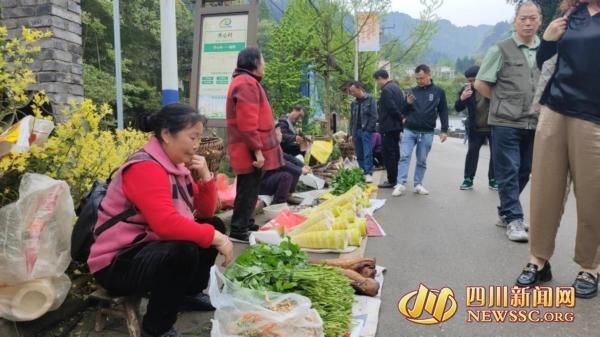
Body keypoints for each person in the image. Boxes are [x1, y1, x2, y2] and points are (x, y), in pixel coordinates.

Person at [88, 103, 234, 337]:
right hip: (116, 263)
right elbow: (165, 224)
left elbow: (205, 212)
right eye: (192, 137)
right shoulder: (145, 167)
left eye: (199, 138)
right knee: (182, 249)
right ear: (166, 134)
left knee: (212, 224)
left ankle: (187, 294)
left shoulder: (176, 167)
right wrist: (217, 239)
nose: (197, 145)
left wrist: (206, 176)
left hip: (145, 249)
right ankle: (157, 328)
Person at [515, 0, 600, 299]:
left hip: (594, 118)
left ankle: (590, 266)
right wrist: (548, 40)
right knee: (544, 190)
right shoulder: (570, 14)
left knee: (593, 195)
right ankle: (538, 260)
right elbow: (546, 63)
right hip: (555, 110)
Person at [474, 1, 542, 242]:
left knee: (525, 169)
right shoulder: (500, 49)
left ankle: (505, 212)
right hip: (505, 122)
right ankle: (514, 219)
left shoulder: (545, 50)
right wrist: (503, 102)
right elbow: (480, 83)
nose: (527, 22)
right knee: (508, 170)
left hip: (534, 121)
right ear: (515, 21)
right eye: (523, 18)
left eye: (532, 18)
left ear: (539, 21)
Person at [226, 47, 284, 242]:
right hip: (249, 149)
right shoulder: (247, 84)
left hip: (247, 148)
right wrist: (258, 151)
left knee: (250, 187)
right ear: (254, 63)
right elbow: (248, 123)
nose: (264, 64)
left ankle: (245, 223)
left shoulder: (244, 82)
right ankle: (238, 230)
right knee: (248, 189)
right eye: (262, 60)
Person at [392, 64, 449, 197]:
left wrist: (444, 130)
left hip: (427, 131)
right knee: (404, 156)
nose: (419, 81)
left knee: (422, 160)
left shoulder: (438, 92)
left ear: (429, 75)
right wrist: (408, 103)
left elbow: (443, 111)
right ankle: (400, 183)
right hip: (410, 130)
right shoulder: (411, 91)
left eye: (421, 78)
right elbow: (402, 111)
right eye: (417, 78)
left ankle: (418, 184)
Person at [455, 66, 497, 191]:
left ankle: (493, 180)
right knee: (472, 153)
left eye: (474, 80)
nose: (471, 83)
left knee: (495, 154)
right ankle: (468, 179)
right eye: (469, 81)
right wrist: (462, 98)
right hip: (475, 128)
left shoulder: (492, 87)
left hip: (493, 127)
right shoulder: (467, 90)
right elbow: (457, 108)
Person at [260, 127, 311, 204]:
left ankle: (287, 195)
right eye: (279, 132)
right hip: (262, 184)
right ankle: (278, 203)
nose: (281, 135)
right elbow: (282, 163)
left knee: (294, 167)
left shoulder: (276, 147)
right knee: (286, 175)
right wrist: (300, 170)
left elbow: (289, 157)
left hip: (270, 178)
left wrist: (302, 165)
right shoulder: (267, 148)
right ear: (273, 135)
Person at [373, 69, 405, 188]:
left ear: (380, 78)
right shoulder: (396, 87)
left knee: (388, 153)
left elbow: (391, 107)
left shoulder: (386, 90)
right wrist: (401, 119)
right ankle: (397, 177)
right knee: (395, 152)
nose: (377, 83)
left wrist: (400, 117)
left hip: (388, 125)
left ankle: (392, 180)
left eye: (377, 81)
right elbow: (401, 105)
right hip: (396, 126)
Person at [348, 81, 378, 183]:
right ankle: (362, 171)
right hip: (356, 131)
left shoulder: (370, 99)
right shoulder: (353, 103)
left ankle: (368, 173)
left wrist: (368, 129)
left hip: (366, 130)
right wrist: (350, 133)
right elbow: (352, 119)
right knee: (359, 153)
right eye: (351, 92)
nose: (352, 93)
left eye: (353, 91)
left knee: (367, 152)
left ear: (359, 88)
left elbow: (374, 116)